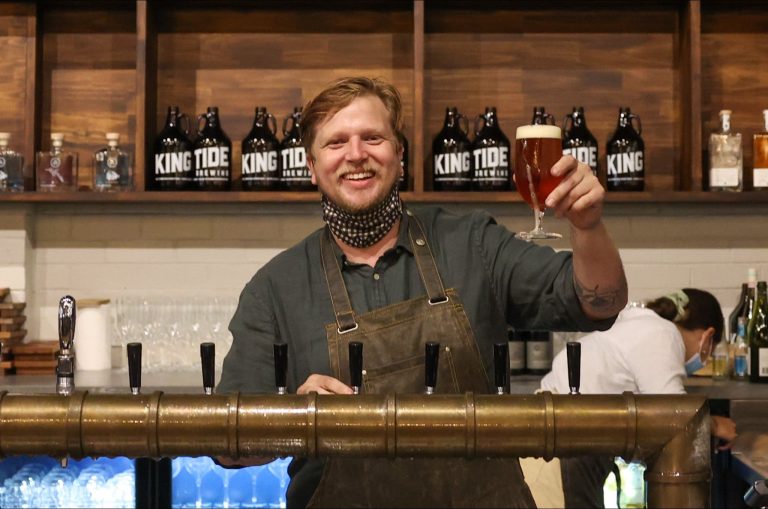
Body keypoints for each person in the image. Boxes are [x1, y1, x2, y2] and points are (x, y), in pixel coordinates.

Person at [217, 76, 628, 508]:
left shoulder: (472, 242)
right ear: (311, 165)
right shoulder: (275, 288)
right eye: (336, 142)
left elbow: (599, 301)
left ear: (399, 154)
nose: (356, 154)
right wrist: (297, 420)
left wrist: (588, 227)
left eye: (372, 137)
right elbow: (226, 445)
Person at [531, 288, 737, 508]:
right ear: (707, 337)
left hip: (558, 429)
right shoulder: (663, 334)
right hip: (564, 440)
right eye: (711, 352)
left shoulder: (639, 323)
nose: (704, 360)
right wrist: (715, 424)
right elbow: (676, 416)